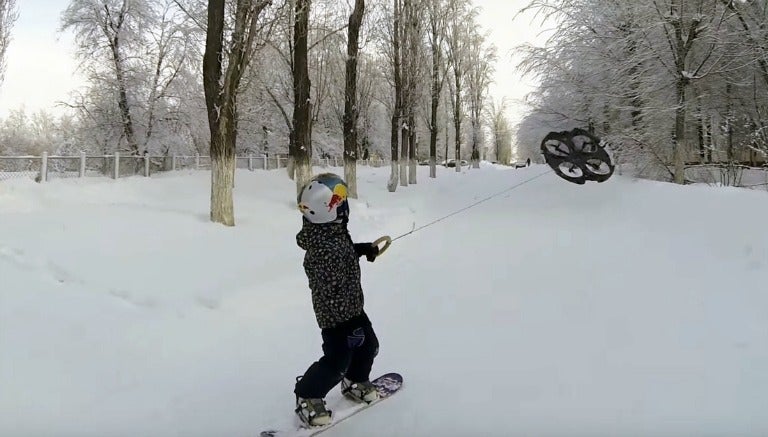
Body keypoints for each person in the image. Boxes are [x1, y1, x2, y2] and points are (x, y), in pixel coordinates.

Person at [293, 173, 382, 427]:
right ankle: (307, 394)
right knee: (336, 361)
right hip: (335, 318)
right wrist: (345, 323)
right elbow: (328, 273)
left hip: (353, 308)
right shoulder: (319, 248)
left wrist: (361, 249)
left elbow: (342, 251)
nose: (345, 204)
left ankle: (355, 379)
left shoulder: (333, 230)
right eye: (339, 199)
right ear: (326, 209)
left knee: (369, 346)